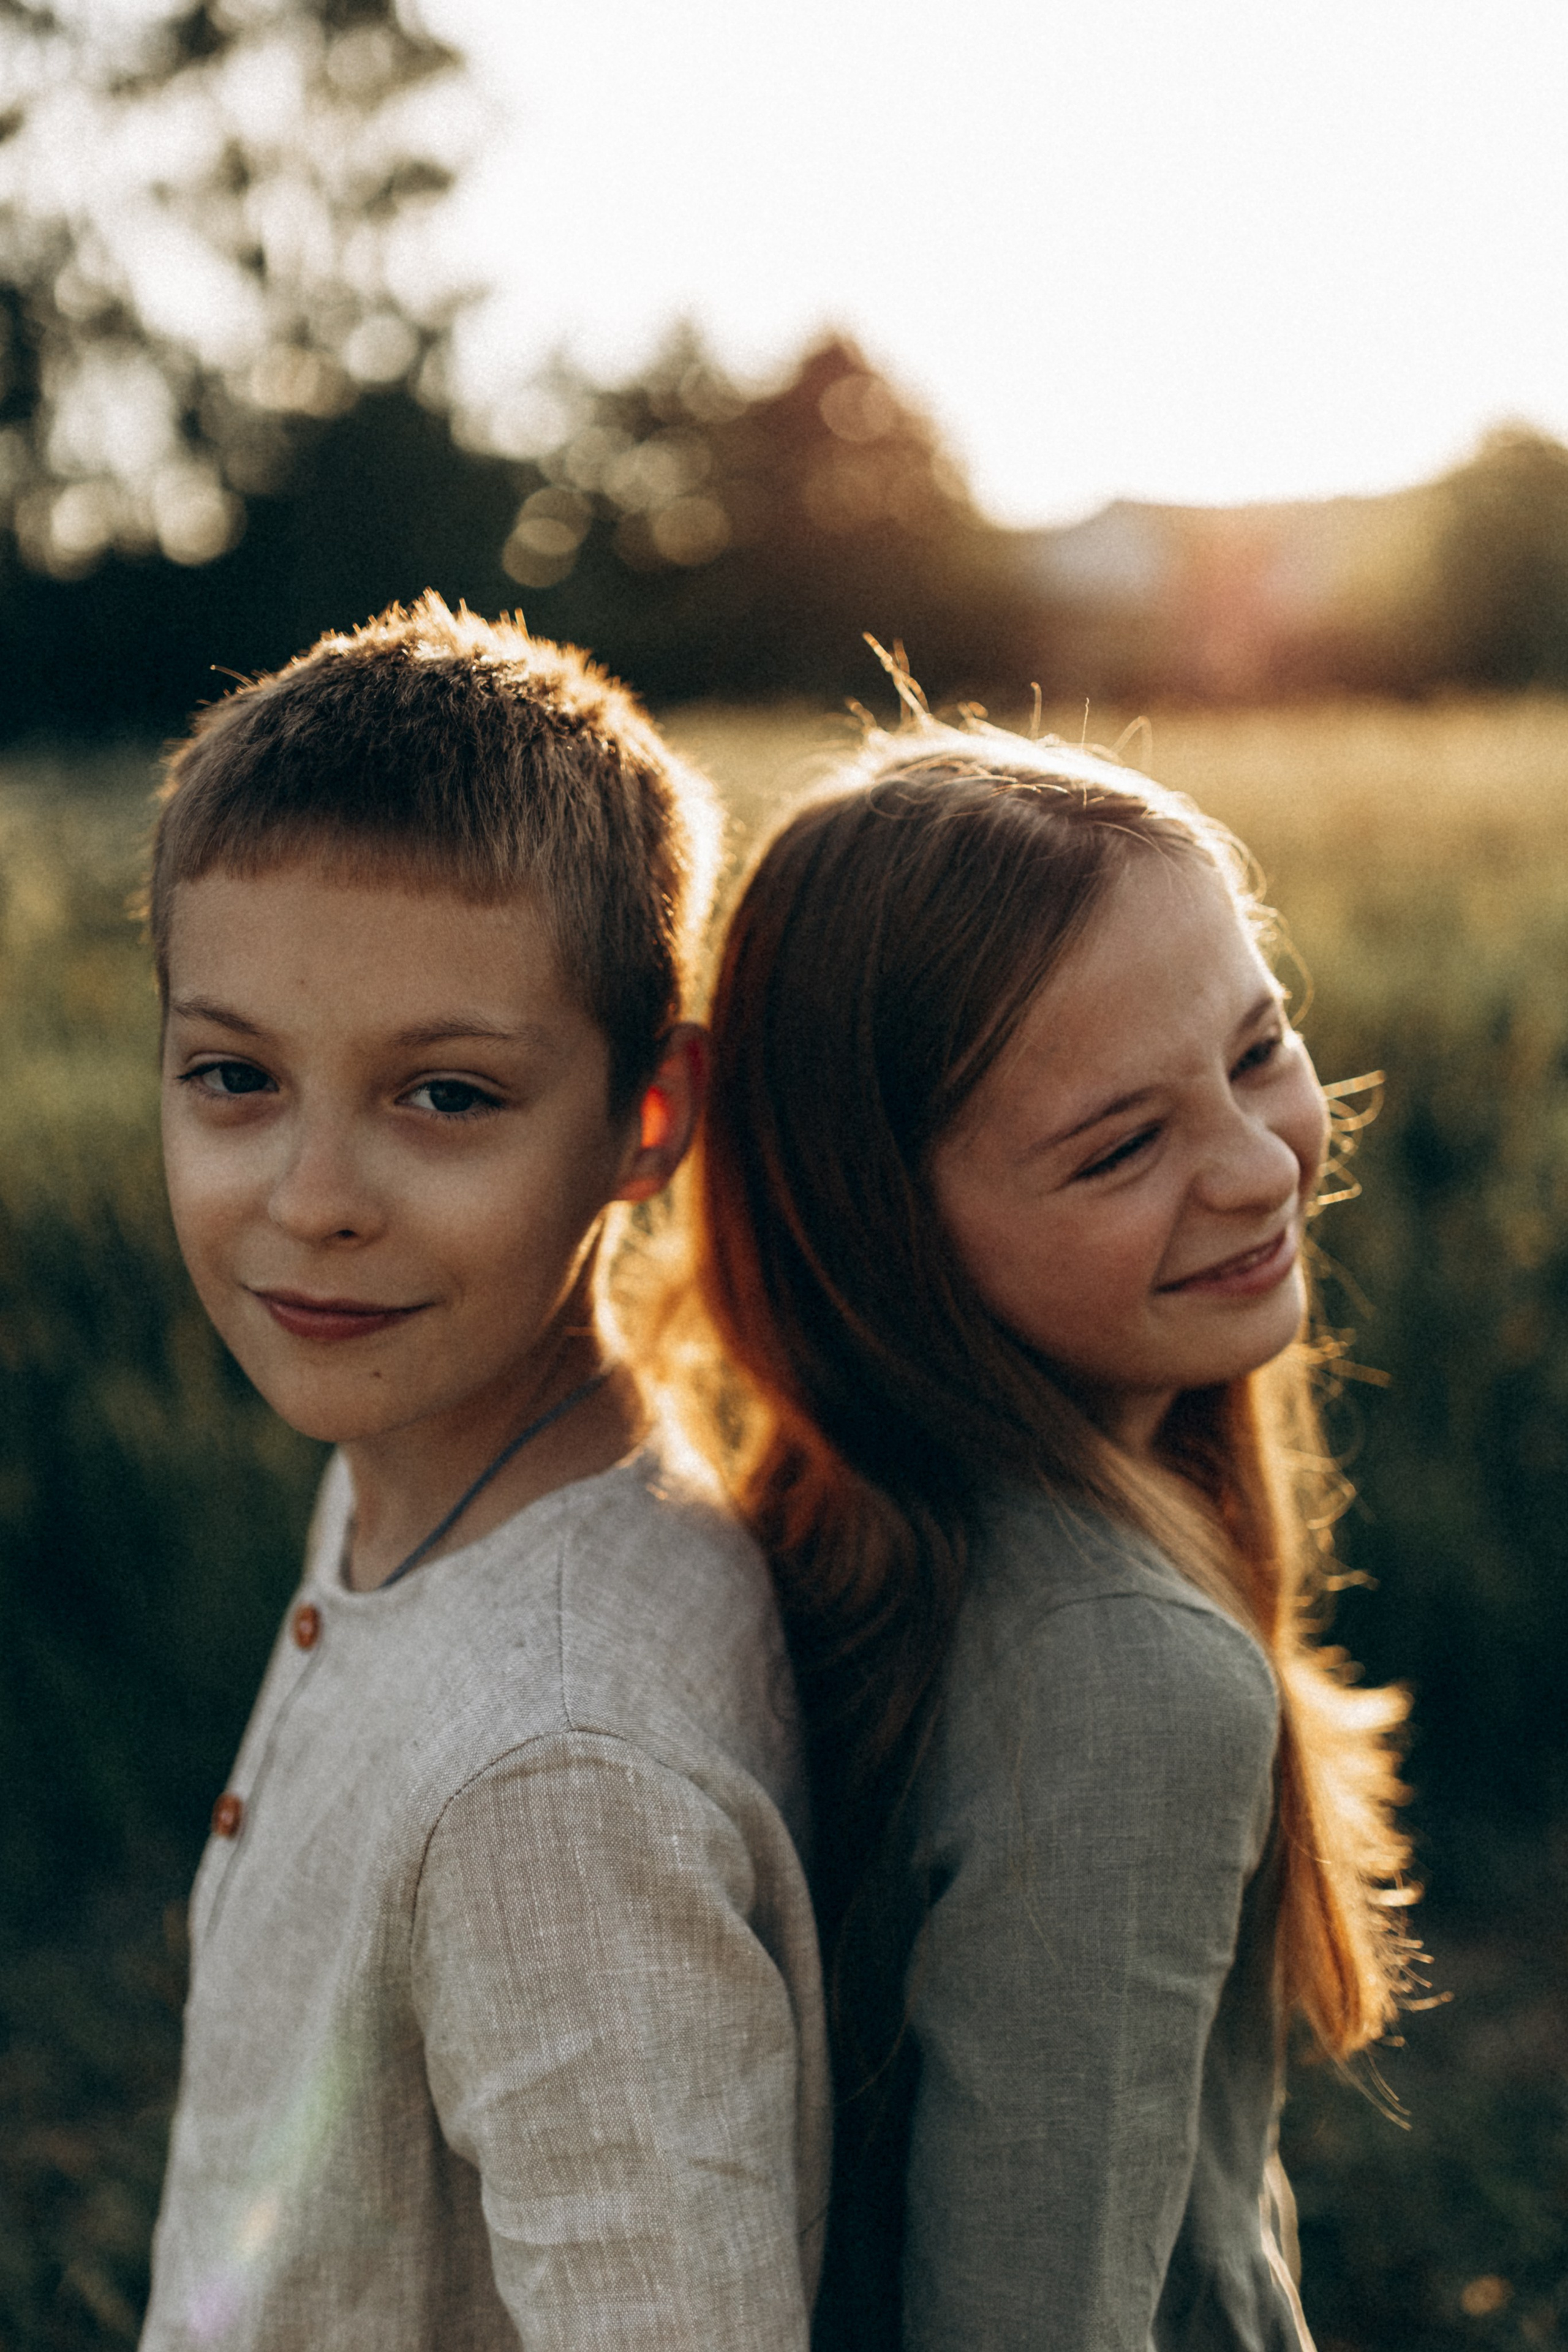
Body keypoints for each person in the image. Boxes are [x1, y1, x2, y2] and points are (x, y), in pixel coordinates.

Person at [139, 595, 828, 2352]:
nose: (313, 1200)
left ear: (648, 1118)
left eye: (444, 1097)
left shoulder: (552, 1781)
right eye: (233, 1076)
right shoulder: (422, 1453)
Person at [688, 710, 1418, 2350]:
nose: (1257, 1167)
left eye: (1258, 1049)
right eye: (1122, 1146)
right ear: (887, 1235)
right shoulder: (1125, 1683)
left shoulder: (878, 1529)